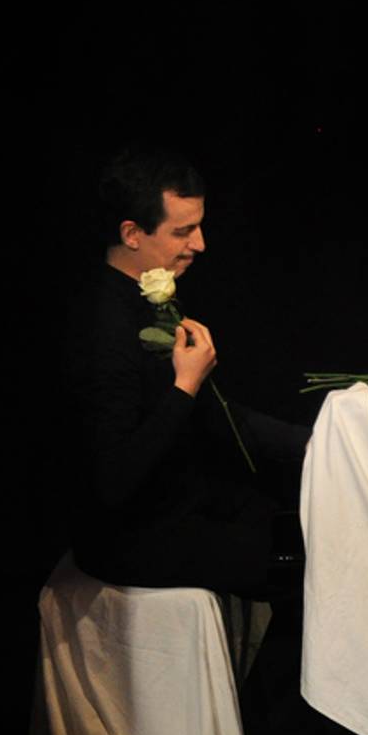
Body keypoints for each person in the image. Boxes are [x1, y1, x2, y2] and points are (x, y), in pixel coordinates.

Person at [66, 147, 309, 600]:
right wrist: (185, 387)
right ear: (132, 234)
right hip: (130, 535)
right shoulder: (103, 326)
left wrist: (312, 442)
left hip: (180, 501)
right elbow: (113, 482)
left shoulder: (148, 296)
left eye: (198, 227)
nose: (200, 244)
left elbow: (217, 415)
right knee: (309, 566)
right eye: (183, 231)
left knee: (309, 524)